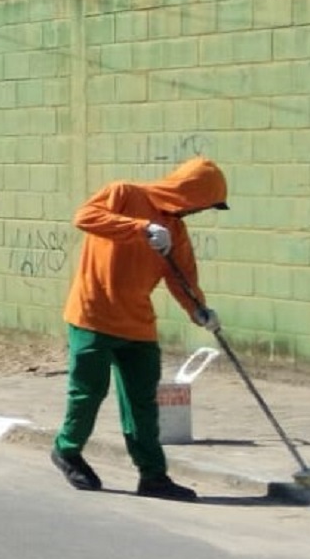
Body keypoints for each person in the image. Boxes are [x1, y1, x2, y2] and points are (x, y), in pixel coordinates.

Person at [50, 156, 229, 501]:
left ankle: (153, 476)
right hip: (93, 315)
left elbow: (183, 277)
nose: (197, 213)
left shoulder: (175, 230)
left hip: (137, 324)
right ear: (188, 192)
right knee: (88, 392)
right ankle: (67, 450)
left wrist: (200, 310)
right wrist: (141, 229)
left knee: (143, 403)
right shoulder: (123, 194)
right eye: (201, 205)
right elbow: (84, 217)